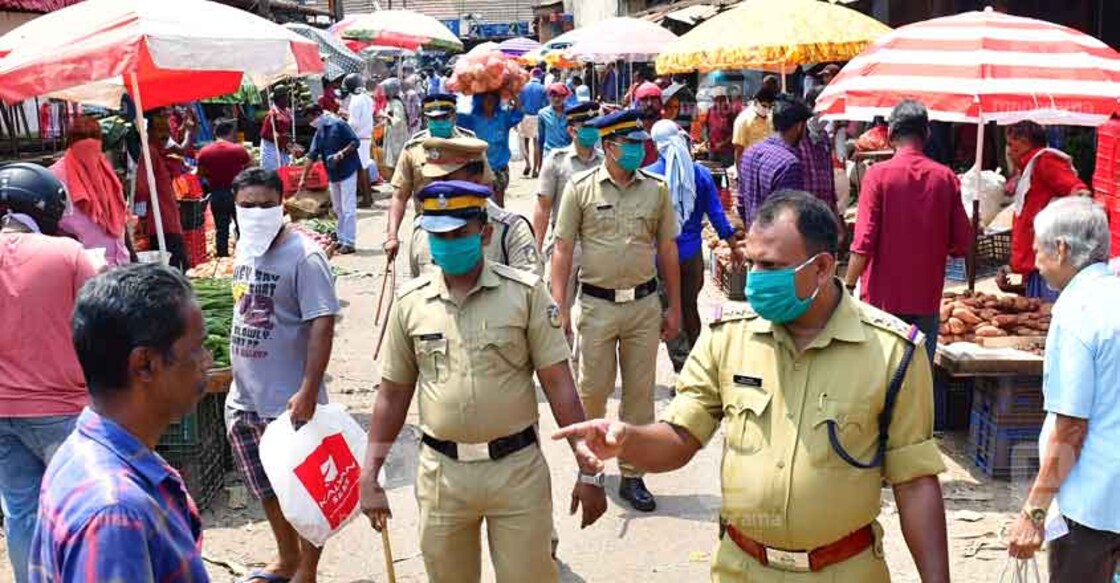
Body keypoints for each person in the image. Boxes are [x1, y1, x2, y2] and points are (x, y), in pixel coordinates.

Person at [555, 191, 951, 582]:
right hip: (741, 569)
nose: (755, 278)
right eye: (752, 262)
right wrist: (626, 441)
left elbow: (914, 482)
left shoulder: (891, 353)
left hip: (845, 571)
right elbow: (680, 438)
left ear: (823, 267)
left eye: (771, 266)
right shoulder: (728, 337)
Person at [359, 180, 606, 583]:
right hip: (442, 476)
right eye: (438, 236)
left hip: (516, 472)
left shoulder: (524, 295)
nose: (448, 245)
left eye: (459, 233)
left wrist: (588, 467)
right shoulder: (411, 303)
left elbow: (560, 386)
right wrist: (370, 474)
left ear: (485, 232)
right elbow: (392, 396)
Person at [28, 264, 210, 582]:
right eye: (196, 348)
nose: (207, 361)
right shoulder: (115, 512)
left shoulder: (90, 451)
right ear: (145, 365)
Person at [551, 110, 681, 512]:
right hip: (596, 305)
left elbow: (667, 249)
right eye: (630, 144)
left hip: (642, 305)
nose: (639, 150)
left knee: (640, 398)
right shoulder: (580, 188)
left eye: (641, 143)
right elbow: (563, 249)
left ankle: (632, 475)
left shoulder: (656, 190)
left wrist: (673, 305)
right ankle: (590, 467)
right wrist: (559, 307)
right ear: (609, 146)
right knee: (592, 391)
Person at [225, 168, 340, 583]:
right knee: (266, 488)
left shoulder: (305, 257)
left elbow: (322, 325)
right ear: (235, 207)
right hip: (244, 399)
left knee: (306, 493)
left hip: (290, 401)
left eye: (265, 205)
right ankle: (286, 556)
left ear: (282, 204)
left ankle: (307, 569)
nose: (256, 213)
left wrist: (309, 390)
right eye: (247, 206)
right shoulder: (244, 248)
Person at [1004, 197, 1120, 581]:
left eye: (1038, 248)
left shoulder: (1077, 314)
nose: (1034, 259)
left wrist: (1033, 513)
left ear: (1063, 249)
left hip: (1093, 507)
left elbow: (1071, 429)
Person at [0, 163, 96, 583]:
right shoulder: (68, 254)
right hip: (63, 408)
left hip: (2, 413)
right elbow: (103, 323)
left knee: (21, 512)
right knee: (77, 508)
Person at [844, 100, 972, 362]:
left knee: (882, 379)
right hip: (926, 300)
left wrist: (847, 286)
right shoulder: (946, 177)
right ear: (926, 134)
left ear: (890, 135)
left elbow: (863, 241)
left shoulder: (878, 175)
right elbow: (962, 242)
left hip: (882, 302)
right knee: (919, 380)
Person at [647, 120, 743, 373]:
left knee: (669, 309)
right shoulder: (699, 174)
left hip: (661, 259)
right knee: (689, 308)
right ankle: (699, 366)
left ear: (657, 145)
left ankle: (683, 367)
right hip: (691, 257)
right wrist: (734, 246)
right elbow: (716, 214)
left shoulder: (650, 175)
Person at [383, 93, 492, 270]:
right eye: (432, 118)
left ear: (454, 115)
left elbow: (486, 185)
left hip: (467, 223)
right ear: (425, 119)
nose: (438, 121)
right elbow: (400, 195)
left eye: (443, 117)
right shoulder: (413, 148)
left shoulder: (470, 145)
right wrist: (392, 236)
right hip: (428, 223)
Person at [419, 136, 542, 277]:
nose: (438, 187)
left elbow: (529, 293)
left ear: (475, 180)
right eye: (433, 180)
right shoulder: (421, 231)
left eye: (447, 179)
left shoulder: (511, 231)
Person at [997, 120, 1091, 302]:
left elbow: (1077, 190)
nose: (1008, 151)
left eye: (1011, 144)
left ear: (1024, 142)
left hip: (1048, 266)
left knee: (1046, 319)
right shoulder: (1027, 170)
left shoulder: (1045, 160)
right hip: (1034, 267)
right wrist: (1014, 269)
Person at [534, 102, 603, 304]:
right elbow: (543, 207)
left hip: (598, 244)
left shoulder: (605, 162)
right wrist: (537, 249)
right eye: (587, 127)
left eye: (594, 126)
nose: (592, 131)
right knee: (558, 307)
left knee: (596, 309)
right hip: (566, 246)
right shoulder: (556, 161)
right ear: (572, 131)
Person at [49, 116, 130, 267]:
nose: (89, 157)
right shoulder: (54, 178)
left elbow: (120, 217)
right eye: (84, 149)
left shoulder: (105, 169)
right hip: (82, 266)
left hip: (119, 263)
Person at [737, 95, 810, 224]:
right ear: (800, 126)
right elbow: (790, 217)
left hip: (755, 235)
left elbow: (741, 204)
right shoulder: (789, 164)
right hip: (778, 240)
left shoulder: (750, 153)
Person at [301, 104, 362, 255]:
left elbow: (355, 142)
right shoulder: (319, 132)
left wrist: (341, 154)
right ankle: (341, 239)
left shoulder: (339, 124)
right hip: (333, 173)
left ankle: (349, 242)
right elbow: (311, 155)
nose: (311, 123)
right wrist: (303, 177)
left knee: (348, 207)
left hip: (347, 169)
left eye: (311, 119)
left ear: (318, 114)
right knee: (337, 208)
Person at [135, 113, 189, 270]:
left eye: (165, 132)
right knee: (173, 265)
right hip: (160, 220)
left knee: (177, 263)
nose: (164, 136)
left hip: (166, 217)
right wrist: (142, 216)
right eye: (160, 132)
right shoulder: (149, 152)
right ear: (150, 133)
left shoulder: (157, 151)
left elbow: (181, 150)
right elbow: (141, 188)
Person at [197, 118, 252, 258]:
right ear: (230, 133)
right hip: (237, 193)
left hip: (216, 193)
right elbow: (251, 169)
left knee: (221, 229)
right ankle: (245, 255)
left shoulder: (204, 152)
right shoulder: (238, 149)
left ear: (215, 133)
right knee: (242, 227)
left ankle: (222, 257)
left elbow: (200, 174)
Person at [459, 91, 525, 207]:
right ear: (480, 100)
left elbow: (519, 112)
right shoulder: (472, 119)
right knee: (481, 205)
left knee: (499, 206)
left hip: (500, 170)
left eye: (493, 98)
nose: (490, 101)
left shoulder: (503, 118)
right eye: (486, 98)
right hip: (479, 170)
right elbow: (454, 118)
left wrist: (512, 93)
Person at [798, 87, 839, 216]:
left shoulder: (824, 137)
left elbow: (830, 175)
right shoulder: (798, 137)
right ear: (811, 107)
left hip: (824, 209)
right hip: (804, 209)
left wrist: (836, 213)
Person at [344, 73, 376, 207]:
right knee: (364, 166)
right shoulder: (367, 98)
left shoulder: (355, 100)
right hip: (366, 135)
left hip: (359, 137)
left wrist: (344, 125)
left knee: (362, 168)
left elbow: (354, 123)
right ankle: (367, 196)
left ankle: (367, 198)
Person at [732, 87, 777, 168]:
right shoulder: (743, 120)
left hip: (768, 165)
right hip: (750, 166)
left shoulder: (771, 118)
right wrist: (740, 174)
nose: (767, 109)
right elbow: (739, 150)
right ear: (756, 102)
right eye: (764, 106)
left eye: (770, 107)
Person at [535, 83, 573, 174]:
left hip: (567, 155)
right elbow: (541, 139)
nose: (556, 99)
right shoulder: (543, 114)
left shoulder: (572, 113)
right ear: (549, 97)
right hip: (549, 155)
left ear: (565, 97)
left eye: (560, 96)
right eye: (553, 96)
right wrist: (539, 164)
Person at [378, 77, 409, 183]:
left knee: (396, 159)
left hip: (397, 136)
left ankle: (398, 182)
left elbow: (398, 121)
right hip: (391, 135)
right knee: (391, 159)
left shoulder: (396, 103)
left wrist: (385, 115)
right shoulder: (390, 102)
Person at [519, 68, 547, 178]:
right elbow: (545, 104)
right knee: (536, 143)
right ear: (540, 76)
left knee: (524, 142)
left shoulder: (523, 87)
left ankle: (527, 163)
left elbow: (519, 102)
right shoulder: (543, 88)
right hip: (538, 116)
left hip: (525, 116)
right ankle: (535, 169)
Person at [704, 86, 740, 168]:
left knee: (727, 173)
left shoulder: (732, 112)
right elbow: (707, 127)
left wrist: (723, 143)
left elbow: (735, 132)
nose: (720, 102)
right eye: (717, 100)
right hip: (713, 150)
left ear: (726, 100)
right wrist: (707, 140)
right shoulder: (711, 110)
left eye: (722, 100)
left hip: (727, 151)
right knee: (713, 174)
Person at [260, 88, 293, 171]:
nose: (287, 100)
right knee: (274, 171)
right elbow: (264, 134)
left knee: (285, 170)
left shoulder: (287, 111)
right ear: (278, 99)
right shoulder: (272, 114)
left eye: (287, 97)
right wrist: (280, 137)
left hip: (283, 147)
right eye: (285, 98)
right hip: (271, 148)